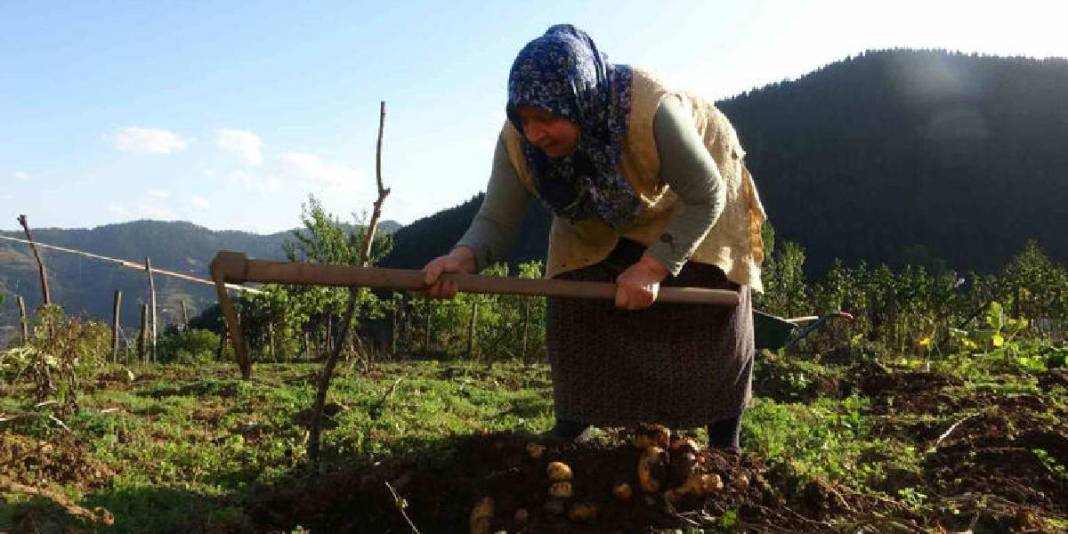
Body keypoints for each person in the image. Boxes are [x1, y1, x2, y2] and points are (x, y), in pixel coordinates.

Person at [422, 24, 766, 450]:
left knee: (708, 297)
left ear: (579, 98)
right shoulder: (519, 143)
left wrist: (653, 267)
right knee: (574, 292)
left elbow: (706, 195)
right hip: (594, 201)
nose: (534, 133)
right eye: (524, 118)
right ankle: (573, 423)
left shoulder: (651, 111)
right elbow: (497, 219)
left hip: (695, 192)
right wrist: (463, 258)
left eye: (546, 118)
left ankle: (724, 441)